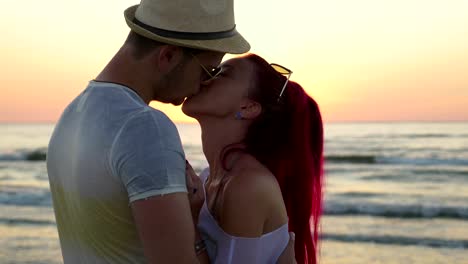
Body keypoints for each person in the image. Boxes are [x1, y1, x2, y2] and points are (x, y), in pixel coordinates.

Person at [46, 0, 253, 263]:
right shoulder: (144, 127)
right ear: (167, 56)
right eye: (207, 71)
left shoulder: (71, 115)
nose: (205, 85)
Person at [182, 54, 324, 264]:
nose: (205, 77)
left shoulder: (247, 185)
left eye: (223, 73)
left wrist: (191, 222)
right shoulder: (208, 177)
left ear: (247, 108)